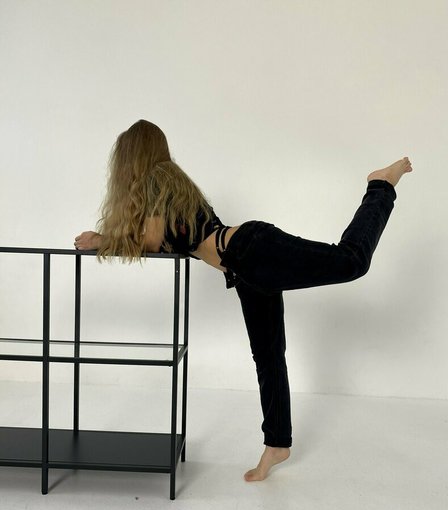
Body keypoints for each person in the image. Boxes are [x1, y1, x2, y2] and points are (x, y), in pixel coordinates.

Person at [75, 119, 413, 482]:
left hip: (253, 249)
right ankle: (277, 444)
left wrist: (103, 240)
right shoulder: (166, 185)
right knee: (268, 356)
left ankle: (380, 185)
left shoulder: (159, 178)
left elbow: (153, 241)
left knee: (351, 260)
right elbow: (158, 240)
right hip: (244, 270)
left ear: (133, 155)